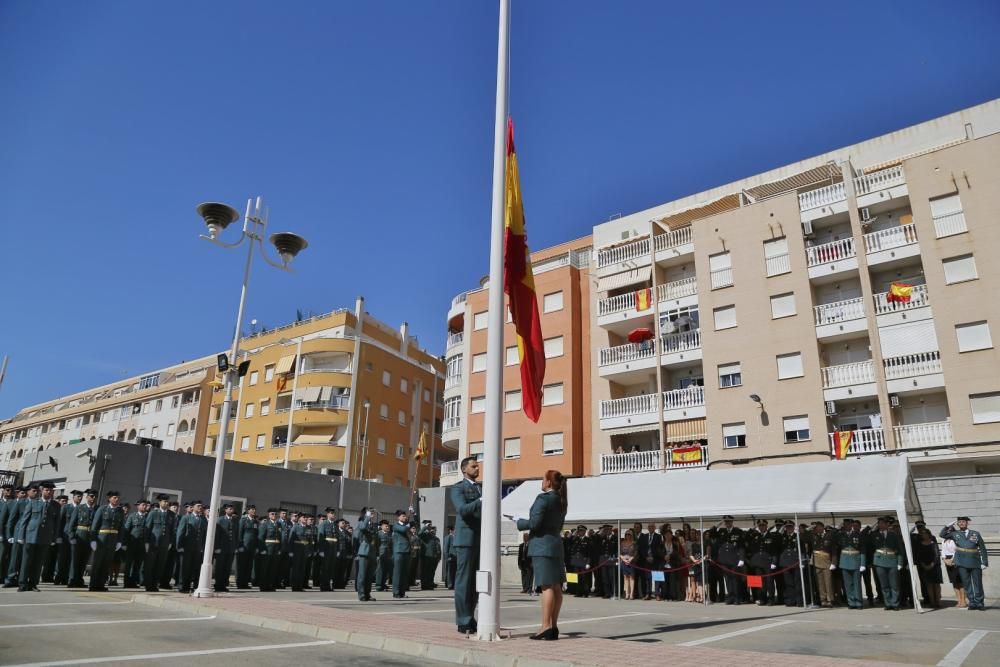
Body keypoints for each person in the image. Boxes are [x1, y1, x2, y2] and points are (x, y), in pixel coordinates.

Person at [513, 469, 568, 641]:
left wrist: (519, 522)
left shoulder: (542, 498)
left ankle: (545, 626)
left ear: (549, 482)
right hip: (556, 545)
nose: (541, 481)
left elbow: (535, 523)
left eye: (543, 479)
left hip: (542, 546)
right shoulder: (561, 500)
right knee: (556, 586)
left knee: (546, 586)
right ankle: (553, 626)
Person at [449, 457, 482, 634]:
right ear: (464, 469)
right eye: (473, 466)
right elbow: (462, 509)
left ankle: (470, 616)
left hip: (480, 540)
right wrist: (481, 501)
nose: (477, 468)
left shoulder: (479, 488)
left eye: (477, 466)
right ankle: (463, 619)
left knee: (475, 582)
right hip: (466, 540)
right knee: (464, 581)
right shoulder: (458, 487)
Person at [18, 482, 61, 592]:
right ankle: (22, 583)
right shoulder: (33, 502)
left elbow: (56, 524)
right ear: (42, 491)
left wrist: (54, 538)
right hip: (31, 535)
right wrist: (21, 536)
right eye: (47, 490)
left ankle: (33, 584)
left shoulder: (56, 505)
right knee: (26, 560)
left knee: (38, 562)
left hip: (45, 537)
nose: (49, 492)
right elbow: (25, 520)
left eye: (51, 490)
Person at [939, 516, 988, 611]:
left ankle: (979, 602)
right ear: (957, 524)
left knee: (977, 583)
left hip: (975, 561)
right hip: (961, 562)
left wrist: (984, 562)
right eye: (959, 522)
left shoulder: (975, 533)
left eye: (963, 522)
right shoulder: (954, 533)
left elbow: (982, 548)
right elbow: (942, 535)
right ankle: (972, 603)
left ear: (967, 523)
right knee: (967, 584)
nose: (961, 523)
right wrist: (947, 526)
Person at [89, 490, 126, 592]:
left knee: (106, 563)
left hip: (113, 540)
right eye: (114, 497)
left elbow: (122, 528)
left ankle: (101, 584)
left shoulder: (120, 511)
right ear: (109, 498)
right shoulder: (102, 509)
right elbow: (95, 525)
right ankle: (93, 585)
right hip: (102, 538)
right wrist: (93, 540)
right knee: (97, 563)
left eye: (117, 497)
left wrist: (119, 541)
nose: (116, 499)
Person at [870, 516, 905, 611]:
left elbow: (900, 549)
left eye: (882, 523)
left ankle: (895, 603)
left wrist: (900, 562)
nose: (880, 525)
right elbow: (868, 533)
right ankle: (888, 603)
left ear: (887, 524)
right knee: (884, 584)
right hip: (879, 561)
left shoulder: (893, 535)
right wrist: (874, 526)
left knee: (894, 584)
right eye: (879, 523)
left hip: (892, 560)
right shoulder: (874, 535)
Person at [143, 494, 175, 592]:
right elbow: (147, 529)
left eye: (167, 501)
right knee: (150, 565)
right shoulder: (153, 513)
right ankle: (148, 585)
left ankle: (155, 584)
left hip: (164, 544)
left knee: (160, 565)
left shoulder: (171, 514)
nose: (166, 503)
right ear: (160, 502)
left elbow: (172, 529)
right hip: (153, 543)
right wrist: (146, 542)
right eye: (164, 501)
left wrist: (170, 542)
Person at [175, 499, 207, 593]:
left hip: (197, 548)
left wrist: (203, 547)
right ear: (192, 508)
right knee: (185, 568)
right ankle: (182, 586)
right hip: (186, 547)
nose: (200, 508)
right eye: (198, 506)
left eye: (201, 506)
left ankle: (192, 586)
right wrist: (179, 546)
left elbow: (204, 534)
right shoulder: (186, 518)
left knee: (195, 568)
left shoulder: (202, 519)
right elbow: (180, 532)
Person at [122, 499, 148, 589]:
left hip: (141, 545)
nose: (144, 507)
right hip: (132, 543)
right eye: (143, 505)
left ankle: (133, 582)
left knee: (137, 564)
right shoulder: (132, 516)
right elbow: (126, 530)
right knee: (129, 564)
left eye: (145, 505)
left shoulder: (147, 517)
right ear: (138, 506)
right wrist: (124, 543)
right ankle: (126, 582)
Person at [915, 527, 942, 608]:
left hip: (935, 566)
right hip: (925, 567)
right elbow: (919, 556)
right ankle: (932, 601)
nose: (924, 535)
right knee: (929, 585)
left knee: (936, 585)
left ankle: (938, 601)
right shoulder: (920, 544)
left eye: (925, 533)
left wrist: (932, 564)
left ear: (929, 534)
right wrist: (924, 565)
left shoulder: (933, 543)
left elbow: (937, 555)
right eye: (922, 534)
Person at [213, 503, 238, 592]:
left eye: (232, 508)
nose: (231, 510)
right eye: (229, 509)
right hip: (221, 548)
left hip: (231, 548)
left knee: (227, 567)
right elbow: (217, 535)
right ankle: (218, 585)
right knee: (220, 567)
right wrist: (217, 547)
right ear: (225, 510)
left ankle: (224, 585)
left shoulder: (235, 520)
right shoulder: (220, 520)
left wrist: (236, 547)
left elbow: (236, 534)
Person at [354, 508, 377, 601]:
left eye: (372, 513)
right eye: (370, 513)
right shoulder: (361, 522)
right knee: (362, 575)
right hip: (364, 551)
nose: (372, 515)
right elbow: (363, 528)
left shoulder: (372, 524)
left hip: (372, 551)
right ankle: (362, 594)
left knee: (369, 575)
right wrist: (367, 517)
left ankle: (368, 593)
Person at [257, 508, 281, 592]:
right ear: (269, 515)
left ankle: (270, 585)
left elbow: (280, 538)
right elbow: (260, 537)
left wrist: (279, 549)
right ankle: (263, 586)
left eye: (275, 514)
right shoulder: (265, 524)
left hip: (275, 549)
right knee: (265, 568)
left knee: (273, 568)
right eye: (272, 514)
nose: (274, 515)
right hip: (267, 549)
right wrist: (262, 549)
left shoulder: (278, 524)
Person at [391, 509, 414, 599]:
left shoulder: (406, 525)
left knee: (404, 573)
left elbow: (412, 525)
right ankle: (396, 592)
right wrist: (408, 522)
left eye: (405, 516)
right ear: (398, 517)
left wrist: (412, 514)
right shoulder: (396, 526)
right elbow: (404, 529)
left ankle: (402, 592)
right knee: (397, 573)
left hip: (406, 551)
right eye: (403, 516)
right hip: (399, 551)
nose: (404, 517)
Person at [236, 505, 258, 589]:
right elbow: (240, 533)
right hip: (244, 547)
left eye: (254, 510)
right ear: (248, 511)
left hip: (251, 548)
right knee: (242, 566)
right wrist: (240, 545)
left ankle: (245, 583)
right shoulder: (243, 520)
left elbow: (256, 535)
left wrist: (256, 547)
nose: (254, 511)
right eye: (252, 510)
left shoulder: (255, 521)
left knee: (249, 566)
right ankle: (240, 583)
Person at [317, 508, 339, 592]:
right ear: (328, 514)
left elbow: (338, 538)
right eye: (331, 513)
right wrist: (321, 550)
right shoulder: (324, 524)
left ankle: (328, 585)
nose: (333, 515)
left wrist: (337, 550)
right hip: (326, 549)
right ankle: (323, 586)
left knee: (331, 568)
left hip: (333, 549)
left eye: (334, 514)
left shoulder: (335, 525)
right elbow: (320, 537)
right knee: (325, 568)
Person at [941, 535, 965, 608]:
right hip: (947, 560)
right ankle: (959, 600)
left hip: (956, 559)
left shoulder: (955, 540)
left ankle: (963, 600)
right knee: (954, 581)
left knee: (960, 581)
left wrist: (952, 560)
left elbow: (957, 550)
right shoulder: (943, 541)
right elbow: (943, 551)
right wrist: (944, 559)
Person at [419, 523, 442, 590]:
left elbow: (439, 548)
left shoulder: (436, 538)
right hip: (426, 557)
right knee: (425, 572)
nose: (434, 531)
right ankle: (424, 585)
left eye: (435, 530)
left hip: (434, 558)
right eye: (432, 530)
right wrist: (425, 527)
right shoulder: (426, 536)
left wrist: (439, 557)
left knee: (432, 572)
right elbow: (419, 533)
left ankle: (430, 584)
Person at [374, 519, 392, 592]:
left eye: (388, 526)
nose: (387, 527)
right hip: (381, 555)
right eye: (386, 526)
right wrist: (377, 555)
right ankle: (378, 586)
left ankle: (383, 584)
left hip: (388, 555)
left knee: (386, 571)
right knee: (380, 571)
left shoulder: (390, 534)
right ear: (381, 526)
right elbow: (376, 544)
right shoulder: (378, 534)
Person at [620, 530, 637, 600]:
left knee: (632, 578)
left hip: (631, 562)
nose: (628, 536)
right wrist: (623, 559)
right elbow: (620, 553)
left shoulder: (634, 543)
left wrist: (630, 559)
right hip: (624, 562)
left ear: (631, 535)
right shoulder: (622, 543)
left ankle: (631, 594)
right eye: (627, 534)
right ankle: (627, 593)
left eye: (629, 534)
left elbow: (636, 553)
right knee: (625, 578)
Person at [443, 525, 456, 590]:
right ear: (451, 530)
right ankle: (450, 584)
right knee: (450, 572)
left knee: (454, 572)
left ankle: (453, 584)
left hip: (455, 557)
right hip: (451, 557)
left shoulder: (455, 537)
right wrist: (447, 557)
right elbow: (446, 548)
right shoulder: (449, 537)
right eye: (454, 529)